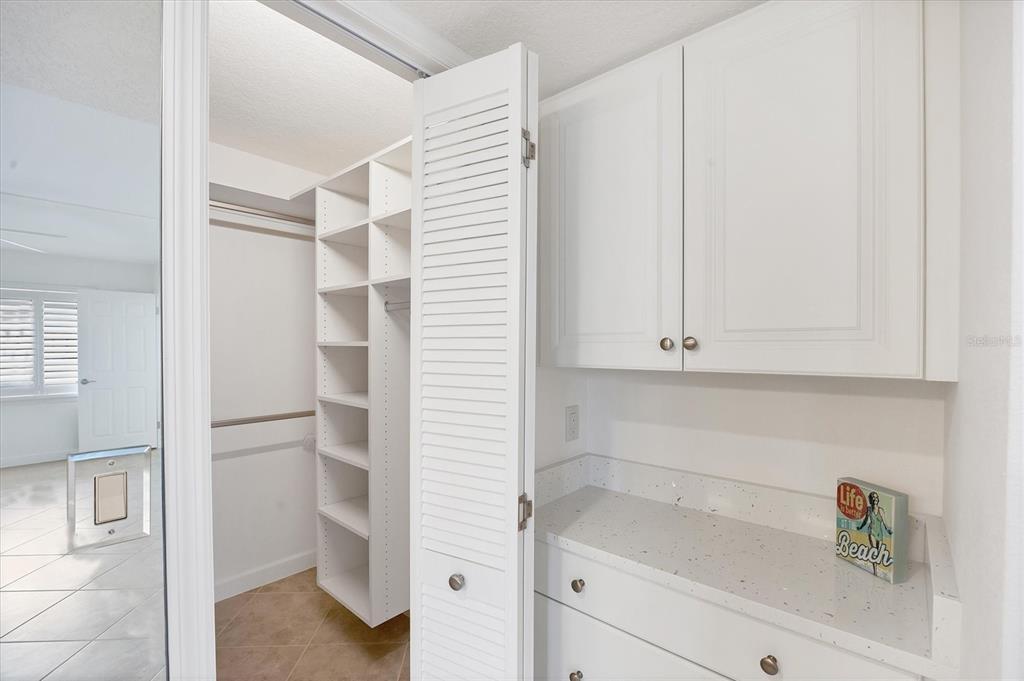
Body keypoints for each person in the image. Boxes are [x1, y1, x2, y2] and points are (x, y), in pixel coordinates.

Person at [856, 491, 893, 576]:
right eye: (872, 497)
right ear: (870, 499)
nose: (874, 499)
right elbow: (865, 521)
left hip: (880, 533)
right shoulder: (869, 510)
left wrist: (888, 530)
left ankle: (876, 569)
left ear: (878, 499)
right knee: (874, 552)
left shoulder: (881, 510)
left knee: (879, 553)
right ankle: (875, 572)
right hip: (871, 531)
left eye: (876, 497)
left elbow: (885, 523)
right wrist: (860, 527)